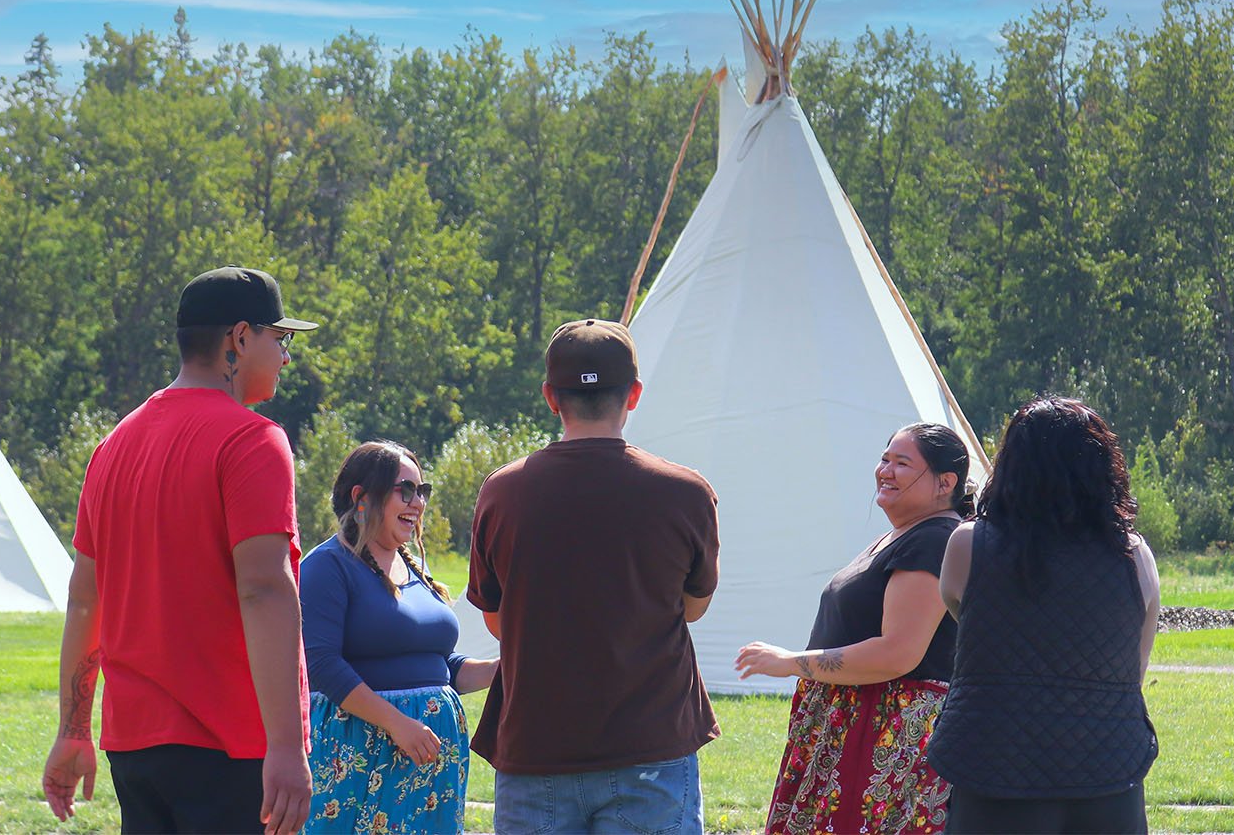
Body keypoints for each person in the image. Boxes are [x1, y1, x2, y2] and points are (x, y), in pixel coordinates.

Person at [42, 266, 317, 835]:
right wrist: (287, 749)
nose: (286, 356)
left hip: (136, 751)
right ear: (239, 339)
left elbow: (84, 602)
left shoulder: (112, 447)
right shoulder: (253, 440)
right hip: (230, 748)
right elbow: (264, 588)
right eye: (280, 337)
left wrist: (74, 730)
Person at [466, 318, 721, 834]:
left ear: (549, 397)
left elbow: (496, 621)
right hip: (651, 743)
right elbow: (692, 607)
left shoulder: (503, 492)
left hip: (536, 746)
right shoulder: (686, 492)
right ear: (634, 394)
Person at [925, 396, 1161, 835]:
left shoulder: (967, 544)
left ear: (1012, 464)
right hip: (1108, 766)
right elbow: (1134, 668)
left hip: (993, 764)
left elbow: (965, 615)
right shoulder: (1135, 555)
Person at [736, 422, 973, 835]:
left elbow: (897, 652)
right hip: (852, 724)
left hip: (883, 731)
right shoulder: (903, 536)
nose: (885, 471)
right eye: (884, 459)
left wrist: (791, 662)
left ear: (945, 483)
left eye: (902, 463)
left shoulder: (934, 540)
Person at [300, 441, 499, 833]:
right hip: (360, 754)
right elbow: (320, 665)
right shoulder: (327, 566)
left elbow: (439, 668)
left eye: (422, 491)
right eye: (405, 490)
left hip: (428, 765)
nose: (418, 504)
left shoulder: (413, 572)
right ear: (361, 497)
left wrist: (498, 669)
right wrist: (397, 723)